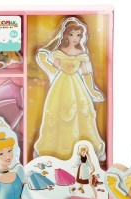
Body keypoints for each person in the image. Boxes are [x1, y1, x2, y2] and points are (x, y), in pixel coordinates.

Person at [34, 17, 105, 161]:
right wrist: (43, 60)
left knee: (81, 113)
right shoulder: (59, 51)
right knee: (59, 113)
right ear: (66, 35)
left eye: (78, 35)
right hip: (61, 84)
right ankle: (56, 150)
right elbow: (53, 70)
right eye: (72, 34)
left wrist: (92, 90)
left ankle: (82, 148)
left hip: (77, 85)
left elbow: (86, 73)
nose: (75, 38)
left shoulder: (81, 53)